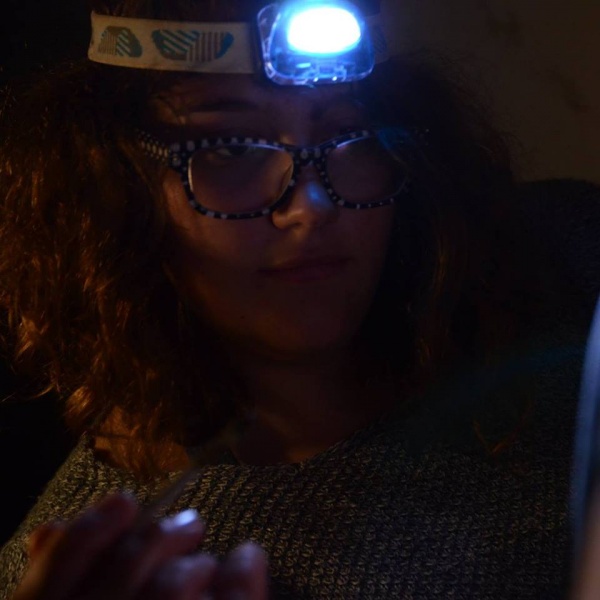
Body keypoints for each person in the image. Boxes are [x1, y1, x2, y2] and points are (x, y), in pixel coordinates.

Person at [1, 0, 599, 597]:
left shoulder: (566, 260)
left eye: (347, 136)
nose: (311, 207)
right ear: (113, 190)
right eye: (231, 149)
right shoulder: (110, 575)